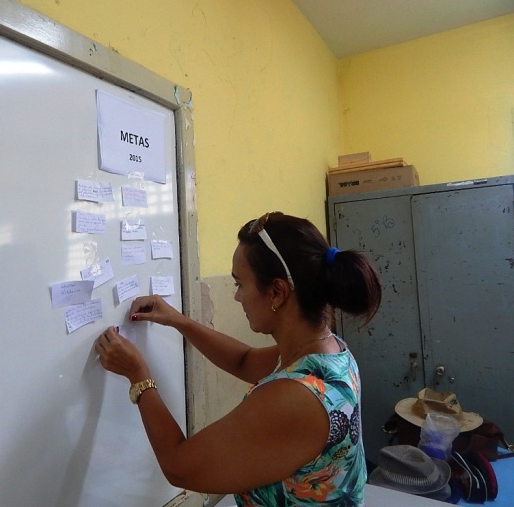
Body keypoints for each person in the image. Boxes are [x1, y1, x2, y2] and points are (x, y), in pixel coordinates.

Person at [95, 211, 382, 506]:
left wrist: (138, 376)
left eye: (240, 284)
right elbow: (244, 361)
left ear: (277, 292)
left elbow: (179, 467)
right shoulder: (326, 352)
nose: (236, 296)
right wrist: (179, 321)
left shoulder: (296, 397)